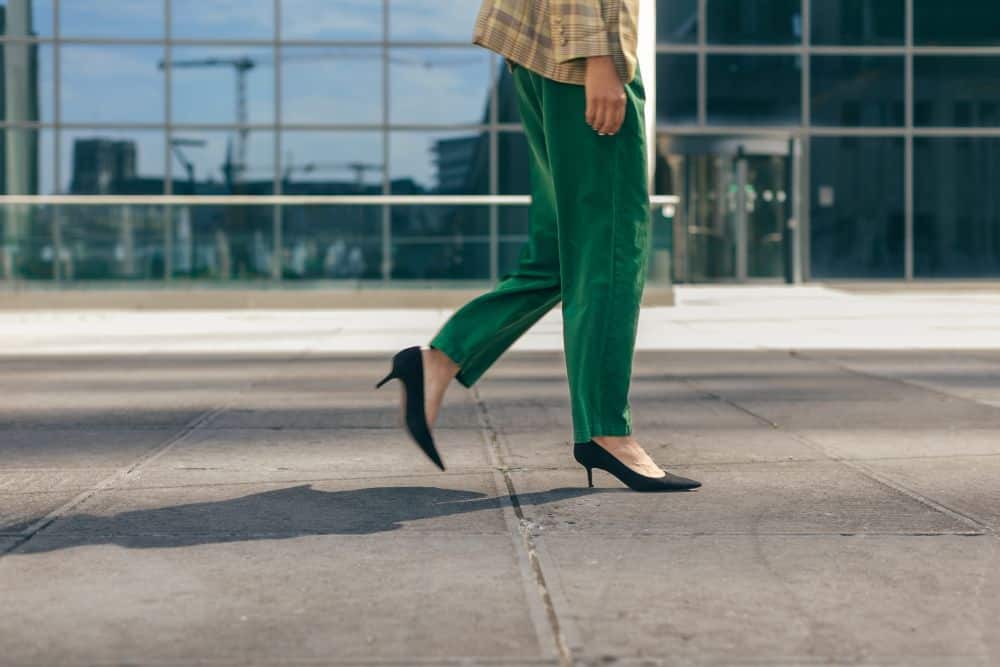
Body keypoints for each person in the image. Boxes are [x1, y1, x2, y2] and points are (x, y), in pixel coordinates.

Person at [376, 0, 700, 492]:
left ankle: (439, 359)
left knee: (557, 254)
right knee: (612, 249)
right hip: (582, 56)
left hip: (549, 55)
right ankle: (606, 430)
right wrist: (600, 59)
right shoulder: (593, 59)